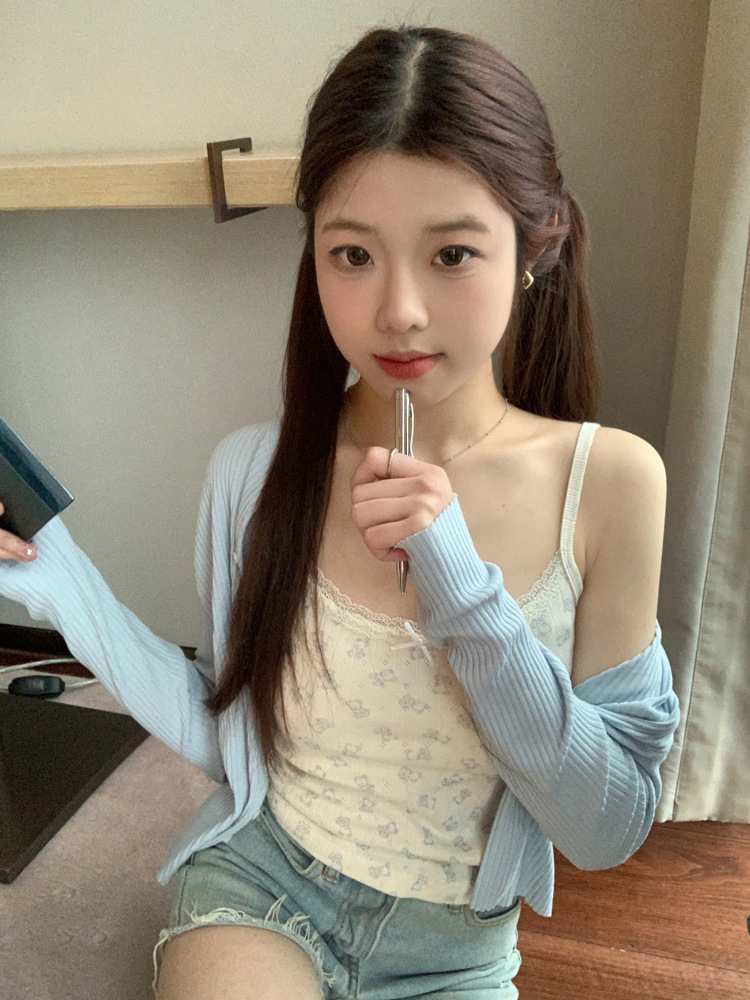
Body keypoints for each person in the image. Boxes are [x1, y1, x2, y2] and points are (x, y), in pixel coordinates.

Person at [0, 25, 679, 1000]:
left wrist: (462, 590)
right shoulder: (254, 474)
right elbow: (224, 729)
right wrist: (57, 579)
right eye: (353, 253)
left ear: (534, 247)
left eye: (452, 253)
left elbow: (606, 828)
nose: (398, 309)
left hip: (453, 951)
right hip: (263, 889)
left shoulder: (611, 483)